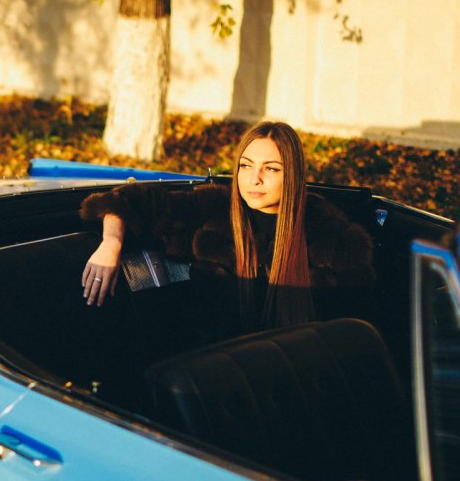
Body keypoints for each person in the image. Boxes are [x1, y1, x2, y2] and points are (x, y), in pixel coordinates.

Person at [79, 120, 375, 332]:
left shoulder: (329, 236)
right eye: (245, 166)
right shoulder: (215, 207)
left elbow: (349, 331)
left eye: (270, 169)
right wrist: (111, 243)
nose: (253, 179)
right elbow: (126, 201)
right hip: (210, 368)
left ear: (293, 175)